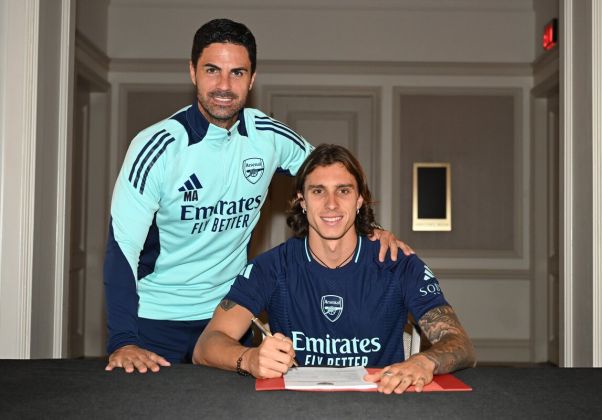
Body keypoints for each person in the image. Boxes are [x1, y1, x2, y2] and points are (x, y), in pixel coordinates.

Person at [104, 19, 409, 373]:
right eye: (212, 70)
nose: (223, 85)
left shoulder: (268, 136)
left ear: (252, 78)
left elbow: (333, 178)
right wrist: (123, 340)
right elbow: (121, 248)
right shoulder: (156, 147)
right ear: (192, 72)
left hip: (228, 320)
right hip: (155, 321)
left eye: (237, 73)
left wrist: (371, 228)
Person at [192, 144, 476, 394]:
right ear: (301, 201)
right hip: (292, 408)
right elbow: (206, 346)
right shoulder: (271, 267)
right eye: (318, 191)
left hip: (383, 403)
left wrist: (424, 360)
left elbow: (460, 343)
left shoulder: (398, 263)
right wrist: (250, 359)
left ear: (359, 199)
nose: (331, 204)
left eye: (343, 190)